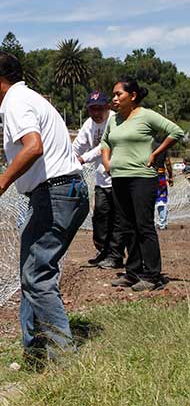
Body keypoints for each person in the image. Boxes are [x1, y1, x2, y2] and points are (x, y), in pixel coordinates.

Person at [0, 51, 88, 364]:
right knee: (32, 272)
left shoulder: (17, 102)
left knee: (36, 276)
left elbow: (33, 147)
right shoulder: (30, 99)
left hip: (55, 194)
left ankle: (63, 358)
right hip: (58, 193)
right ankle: (34, 348)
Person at [102, 78, 183, 292]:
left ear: (133, 96)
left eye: (119, 94)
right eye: (114, 95)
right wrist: (107, 162)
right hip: (119, 177)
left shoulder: (146, 115)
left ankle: (152, 274)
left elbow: (176, 132)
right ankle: (133, 272)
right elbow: (105, 142)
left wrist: (156, 153)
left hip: (142, 178)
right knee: (126, 226)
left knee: (143, 225)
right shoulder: (114, 120)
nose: (115, 99)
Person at [71, 91, 123, 268]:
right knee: (100, 216)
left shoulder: (115, 120)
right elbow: (77, 146)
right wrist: (68, 159)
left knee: (117, 219)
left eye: (99, 109)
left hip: (118, 177)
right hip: (101, 179)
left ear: (107, 107)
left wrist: (83, 159)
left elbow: (104, 145)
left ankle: (115, 256)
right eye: (92, 109)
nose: (95, 113)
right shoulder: (89, 124)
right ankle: (103, 251)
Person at [154, 147, 173, 231]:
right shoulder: (163, 147)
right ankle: (162, 224)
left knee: (148, 200)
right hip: (160, 176)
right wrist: (170, 176)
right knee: (161, 199)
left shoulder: (147, 144)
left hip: (147, 176)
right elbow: (168, 163)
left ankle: (150, 223)